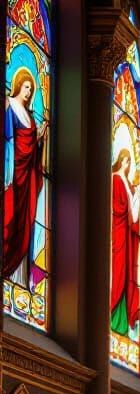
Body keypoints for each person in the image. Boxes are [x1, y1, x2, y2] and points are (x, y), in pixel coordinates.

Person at [3, 68, 48, 284]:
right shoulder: (9, 105)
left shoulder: (30, 117)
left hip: (27, 178)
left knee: (24, 222)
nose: (29, 92)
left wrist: (39, 138)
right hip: (12, 173)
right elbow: (10, 138)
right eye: (26, 86)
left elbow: (31, 147)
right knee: (10, 219)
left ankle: (19, 277)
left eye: (31, 88)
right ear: (19, 84)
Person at [110, 148, 140, 338]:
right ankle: (114, 313)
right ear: (121, 160)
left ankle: (122, 321)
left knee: (127, 273)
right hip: (119, 232)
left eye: (129, 161)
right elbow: (120, 208)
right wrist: (134, 199)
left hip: (127, 235)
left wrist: (137, 195)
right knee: (118, 271)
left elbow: (133, 215)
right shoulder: (115, 179)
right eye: (126, 160)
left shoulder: (127, 183)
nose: (128, 163)